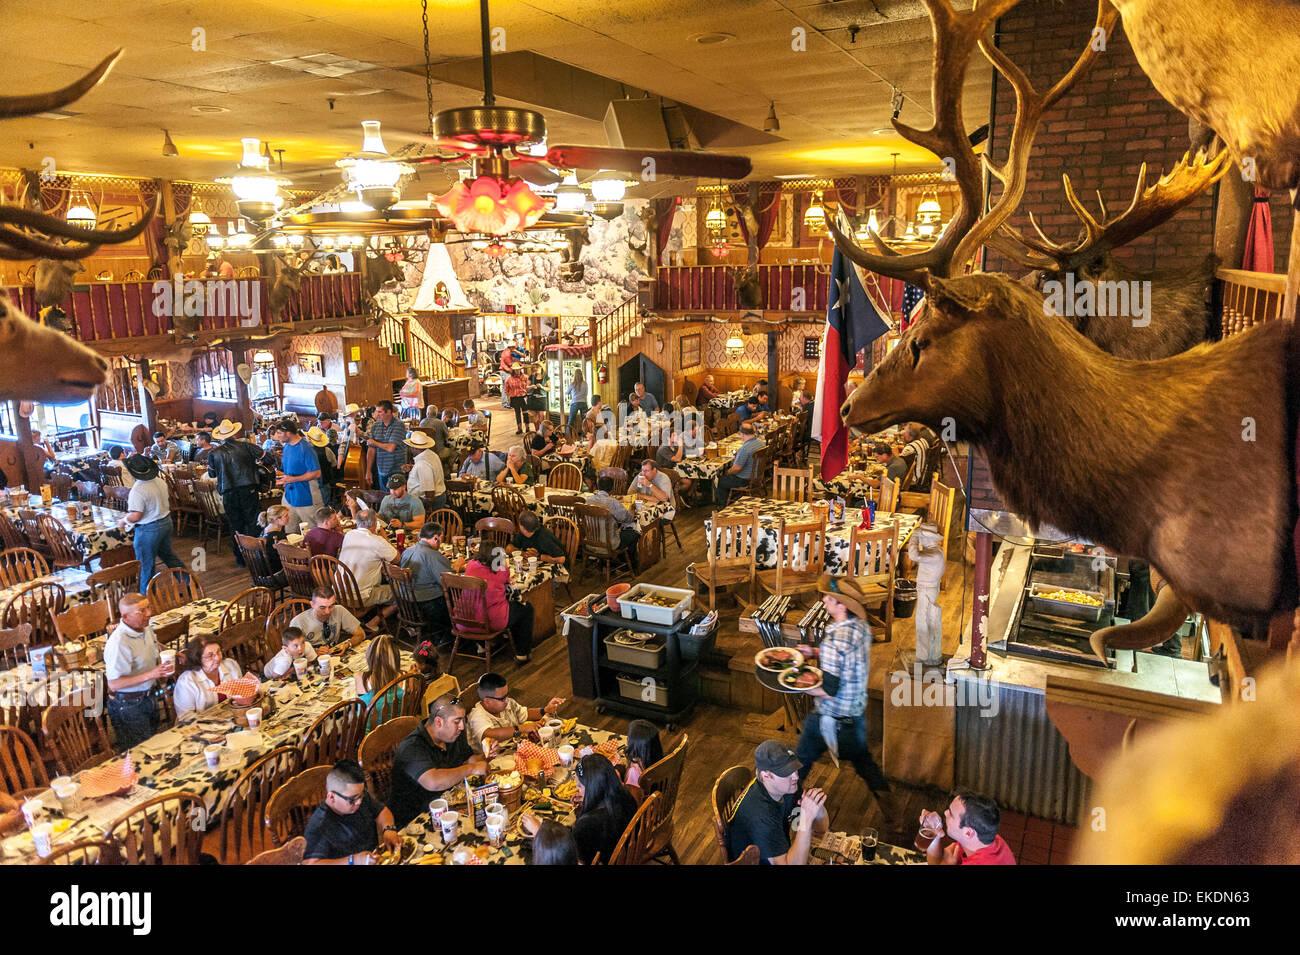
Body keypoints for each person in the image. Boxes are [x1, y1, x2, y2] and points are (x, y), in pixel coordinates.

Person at [794, 576, 897, 820]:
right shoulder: (861, 628)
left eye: (829, 598)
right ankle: (895, 816)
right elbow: (845, 658)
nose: (824, 600)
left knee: (799, 765)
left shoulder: (834, 642)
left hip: (830, 718)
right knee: (866, 765)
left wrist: (797, 685)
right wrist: (814, 651)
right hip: (855, 716)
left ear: (842, 606)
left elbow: (828, 690)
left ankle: (790, 811)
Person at [387, 692, 492, 828]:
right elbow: (433, 781)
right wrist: (472, 769)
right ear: (438, 722)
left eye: (463, 720)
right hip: (416, 822)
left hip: (449, 805)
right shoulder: (412, 747)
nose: (462, 726)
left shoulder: (453, 734)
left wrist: (487, 755)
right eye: (457, 721)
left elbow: (468, 760)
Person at [725, 740, 828, 865]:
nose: (795, 776)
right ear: (766, 776)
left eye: (794, 768)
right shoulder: (761, 816)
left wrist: (817, 806)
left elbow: (820, 831)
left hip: (778, 846)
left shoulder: (789, 788)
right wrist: (806, 819)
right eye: (786, 773)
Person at [521, 753, 636, 865]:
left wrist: (539, 832)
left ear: (593, 790)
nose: (576, 789)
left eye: (580, 786)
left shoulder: (587, 825)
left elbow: (566, 856)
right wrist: (587, 802)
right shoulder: (625, 794)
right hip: (625, 851)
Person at [104, 593, 173, 749]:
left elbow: (152, 644)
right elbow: (114, 684)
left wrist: (173, 652)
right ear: (125, 617)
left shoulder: (145, 627)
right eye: (141, 611)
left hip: (148, 696)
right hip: (128, 706)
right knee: (140, 753)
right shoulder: (119, 643)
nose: (148, 613)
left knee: (153, 746)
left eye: (148, 607)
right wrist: (152, 674)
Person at [303, 760, 402, 865]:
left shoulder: (357, 796)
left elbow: (382, 811)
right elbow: (310, 863)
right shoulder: (319, 825)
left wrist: (388, 829)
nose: (359, 802)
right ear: (332, 797)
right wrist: (353, 861)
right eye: (352, 799)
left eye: (362, 794)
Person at [122, 454, 186, 593]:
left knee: (146, 565)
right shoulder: (159, 481)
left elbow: (136, 515)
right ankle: (188, 581)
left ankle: (147, 596)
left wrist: (124, 520)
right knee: (168, 556)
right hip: (166, 522)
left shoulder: (138, 489)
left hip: (148, 529)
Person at [464, 538, 535, 663]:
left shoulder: (470, 566)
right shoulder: (501, 570)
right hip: (491, 620)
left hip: (466, 619)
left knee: (479, 607)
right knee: (526, 609)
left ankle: (481, 645)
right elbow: (508, 587)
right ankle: (522, 653)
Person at [205, 419, 262, 564]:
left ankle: (240, 558)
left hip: (228, 492)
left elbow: (212, 475)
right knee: (253, 522)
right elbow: (268, 458)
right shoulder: (247, 446)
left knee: (235, 525)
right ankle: (258, 556)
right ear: (235, 432)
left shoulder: (214, 453)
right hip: (249, 489)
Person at [466, 672, 564, 750]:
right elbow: (488, 734)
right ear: (487, 701)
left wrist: (546, 709)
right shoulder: (477, 716)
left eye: (507, 695)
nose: (507, 700)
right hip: (494, 760)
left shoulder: (507, 703)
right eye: (502, 698)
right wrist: (520, 728)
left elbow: (525, 713)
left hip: (517, 749)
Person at [920, 792, 1017, 865]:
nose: (945, 813)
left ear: (968, 833)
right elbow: (938, 860)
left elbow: (940, 861)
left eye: (951, 814)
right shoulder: (984, 839)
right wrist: (932, 832)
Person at [174, 637, 258, 719]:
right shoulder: (186, 682)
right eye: (210, 656)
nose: (217, 658)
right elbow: (186, 717)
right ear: (197, 659)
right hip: (204, 726)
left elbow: (241, 694)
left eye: (218, 652)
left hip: (233, 717)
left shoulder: (231, 665)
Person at [400, 521, 453, 641]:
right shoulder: (432, 556)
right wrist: (458, 566)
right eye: (441, 538)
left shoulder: (407, 551)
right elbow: (448, 582)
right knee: (457, 594)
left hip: (405, 602)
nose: (441, 541)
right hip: (426, 605)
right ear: (436, 538)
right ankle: (447, 634)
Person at [339, 509, 399, 607]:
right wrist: (385, 538)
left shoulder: (349, 535)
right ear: (375, 523)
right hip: (359, 598)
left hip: (339, 593)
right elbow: (397, 559)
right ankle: (375, 620)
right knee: (403, 589)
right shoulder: (377, 541)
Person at [271, 420, 323, 532]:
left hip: (307, 498)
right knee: (289, 532)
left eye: (279, 433)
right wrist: (280, 479)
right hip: (290, 497)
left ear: (288, 433)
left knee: (312, 532)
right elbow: (288, 472)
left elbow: (316, 473)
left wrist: (292, 479)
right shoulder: (287, 447)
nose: (278, 436)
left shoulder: (306, 448)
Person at [590, 476, 641, 571]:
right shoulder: (612, 502)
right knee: (634, 534)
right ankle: (626, 566)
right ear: (612, 489)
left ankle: (608, 561)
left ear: (598, 486)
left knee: (615, 530)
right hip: (609, 544)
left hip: (591, 543)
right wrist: (632, 508)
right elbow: (628, 519)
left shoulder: (589, 500)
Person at [291, 587, 366, 651]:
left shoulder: (339, 610)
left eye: (331, 606)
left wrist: (348, 644)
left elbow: (361, 634)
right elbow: (293, 653)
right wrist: (314, 653)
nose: (327, 612)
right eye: (322, 607)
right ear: (312, 604)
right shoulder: (297, 623)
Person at [716, 422, 763, 508]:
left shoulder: (745, 449)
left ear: (742, 434)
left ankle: (723, 507)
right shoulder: (760, 443)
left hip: (744, 479)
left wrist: (727, 472)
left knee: (720, 480)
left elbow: (736, 469)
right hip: (757, 476)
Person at [366, 400, 409, 491]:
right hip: (381, 468)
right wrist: (368, 470)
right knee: (385, 498)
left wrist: (374, 442)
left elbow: (390, 448)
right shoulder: (375, 426)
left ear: (388, 412)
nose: (377, 414)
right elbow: (371, 449)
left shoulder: (399, 425)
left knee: (396, 497)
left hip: (396, 468)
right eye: (377, 411)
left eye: (380, 412)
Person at [355, 634, 403, 708]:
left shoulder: (360, 677)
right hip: (399, 719)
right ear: (396, 657)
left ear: (370, 657)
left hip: (370, 720)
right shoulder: (403, 677)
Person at [403, 431, 445, 509]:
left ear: (414, 448)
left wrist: (428, 510)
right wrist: (413, 468)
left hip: (428, 501)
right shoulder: (431, 454)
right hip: (438, 496)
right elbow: (431, 469)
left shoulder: (422, 464)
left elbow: (429, 492)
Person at [623, 719, 663, 789]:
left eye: (629, 737)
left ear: (636, 746)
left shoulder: (634, 770)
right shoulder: (657, 759)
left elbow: (632, 793)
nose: (627, 738)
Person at [258, 504, 291, 583]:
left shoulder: (264, 531)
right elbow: (289, 555)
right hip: (275, 576)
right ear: (277, 520)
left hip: (262, 574)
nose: (289, 517)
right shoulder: (277, 536)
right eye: (286, 516)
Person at [504, 366, 529, 435]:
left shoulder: (525, 377)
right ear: (513, 370)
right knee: (517, 413)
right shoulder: (509, 379)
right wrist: (508, 398)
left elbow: (528, 387)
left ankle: (527, 428)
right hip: (514, 398)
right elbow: (506, 390)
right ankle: (519, 428)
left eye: (518, 369)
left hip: (523, 397)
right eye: (516, 369)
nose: (517, 370)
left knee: (525, 413)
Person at [567, 367, 588, 432]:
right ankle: (584, 436)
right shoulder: (585, 383)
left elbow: (567, 392)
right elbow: (586, 393)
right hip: (583, 403)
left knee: (571, 421)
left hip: (575, 403)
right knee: (584, 421)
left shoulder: (572, 384)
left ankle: (568, 437)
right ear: (582, 375)